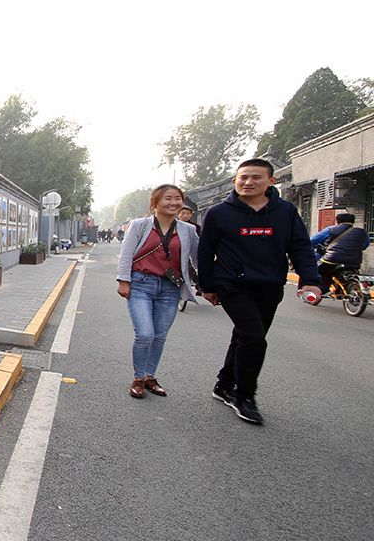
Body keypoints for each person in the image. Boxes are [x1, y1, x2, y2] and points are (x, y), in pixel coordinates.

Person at [197, 159, 322, 425]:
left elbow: (300, 247)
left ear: (270, 181)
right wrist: (206, 285)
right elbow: (206, 251)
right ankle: (244, 396)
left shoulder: (285, 212)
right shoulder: (219, 213)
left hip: (270, 285)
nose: (248, 182)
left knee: (246, 336)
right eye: (243, 177)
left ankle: (223, 384)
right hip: (232, 284)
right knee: (254, 338)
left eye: (255, 177)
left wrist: (310, 280)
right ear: (235, 181)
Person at [116, 185, 199, 398]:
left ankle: (150, 376)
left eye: (177, 199)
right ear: (155, 202)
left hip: (170, 287)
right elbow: (126, 255)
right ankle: (138, 377)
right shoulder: (139, 226)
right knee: (145, 333)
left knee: (160, 335)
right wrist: (123, 280)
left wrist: (208, 284)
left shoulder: (188, 230)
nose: (173, 203)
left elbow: (198, 258)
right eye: (167, 199)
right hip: (141, 283)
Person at [310, 212, 369, 293]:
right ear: (353, 222)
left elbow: (313, 240)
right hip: (355, 260)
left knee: (321, 270)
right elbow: (365, 244)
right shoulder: (362, 232)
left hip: (332, 259)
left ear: (337, 221)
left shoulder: (331, 229)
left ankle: (322, 289)